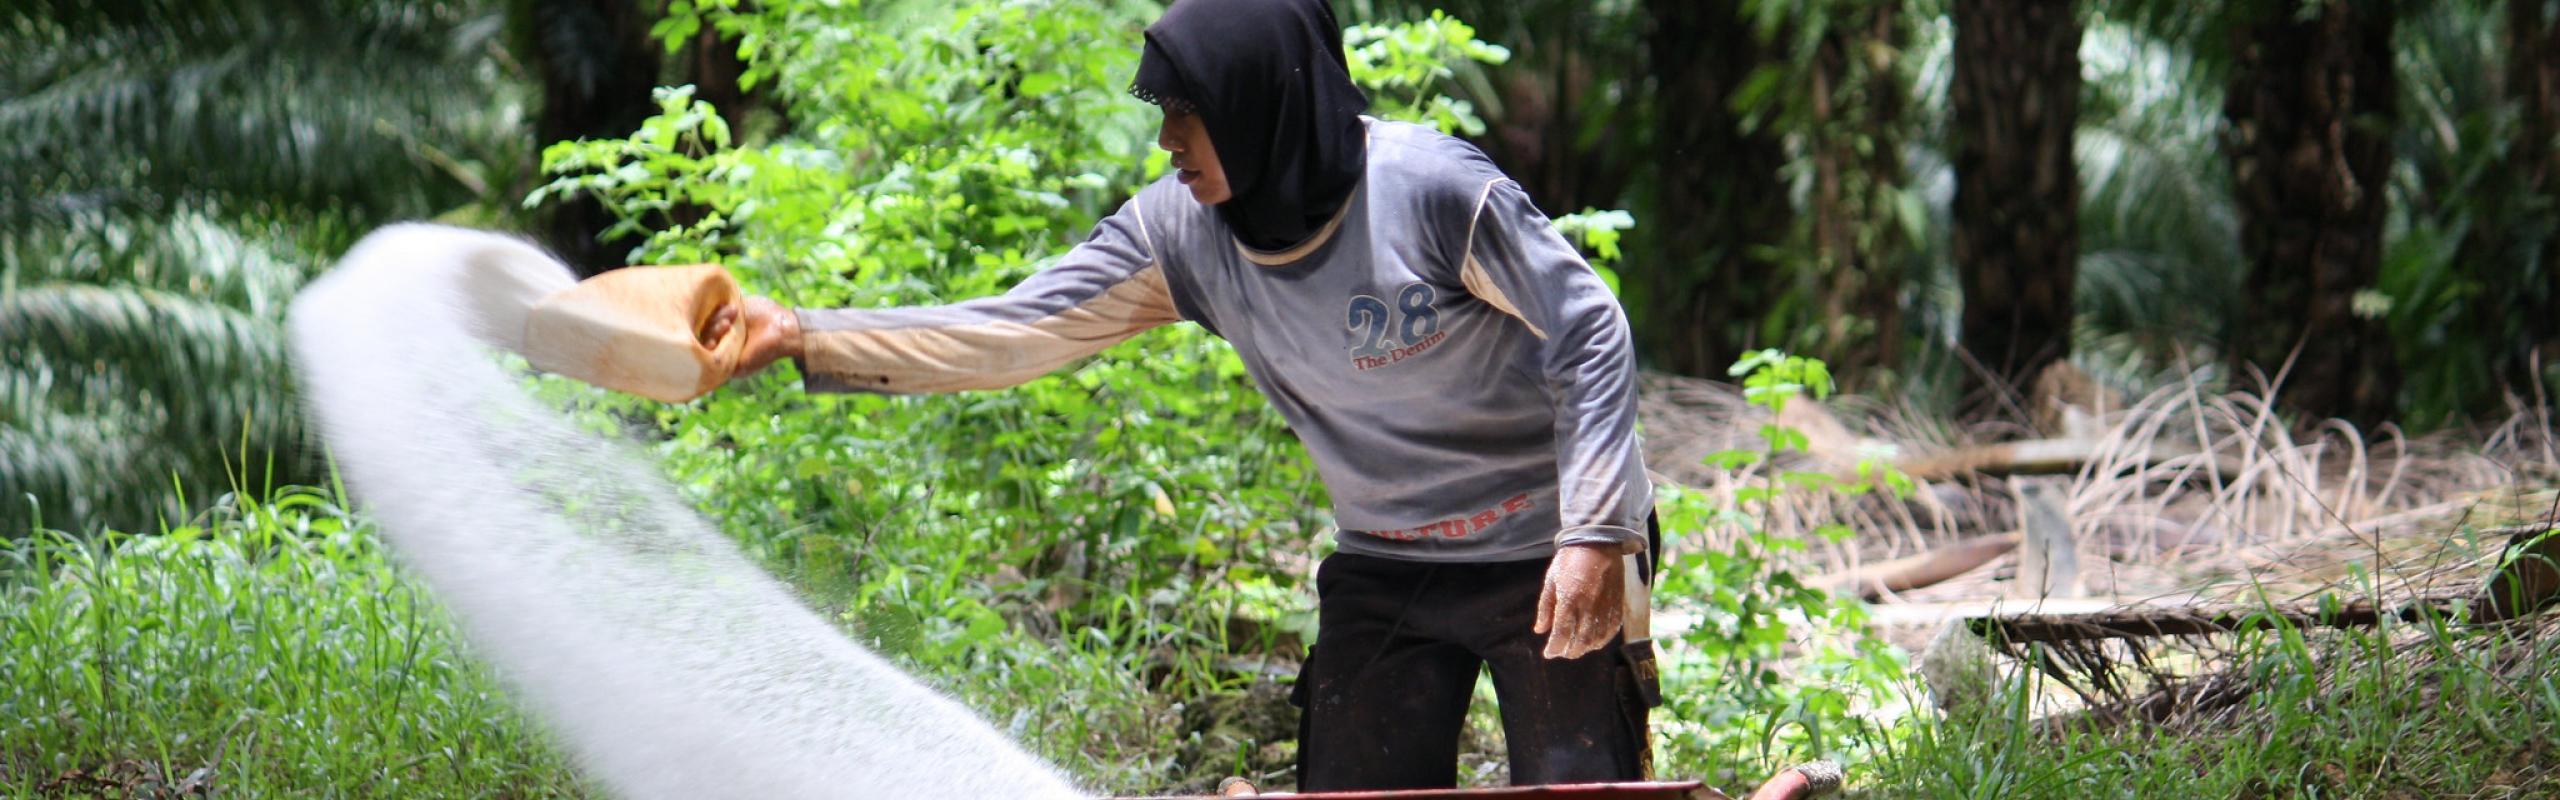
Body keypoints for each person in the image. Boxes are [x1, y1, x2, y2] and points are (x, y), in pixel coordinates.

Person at [710, 0, 1659, 789]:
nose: (1165, 139)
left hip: (1548, 548)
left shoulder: (1431, 191)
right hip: (1387, 557)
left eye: (1184, 110)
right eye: (1160, 111)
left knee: (1580, 787)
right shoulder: (1181, 233)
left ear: (1256, 103)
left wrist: (1593, 534)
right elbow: (1011, 330)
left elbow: (1588, 326)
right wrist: (804, 332)